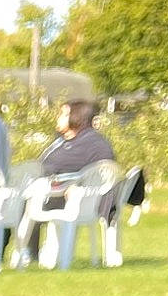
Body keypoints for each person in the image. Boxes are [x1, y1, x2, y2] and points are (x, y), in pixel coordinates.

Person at [14, 100, 118, 267]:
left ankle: (26, 252)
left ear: (76, 117)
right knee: (20, 199)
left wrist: (77, 185)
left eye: (63, 114)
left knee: (26, 201)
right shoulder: (63, 141)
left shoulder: (92, 143)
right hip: (59, 193)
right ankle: (25, 251)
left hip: (76, 199)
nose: (58, 118)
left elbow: (102, 170)